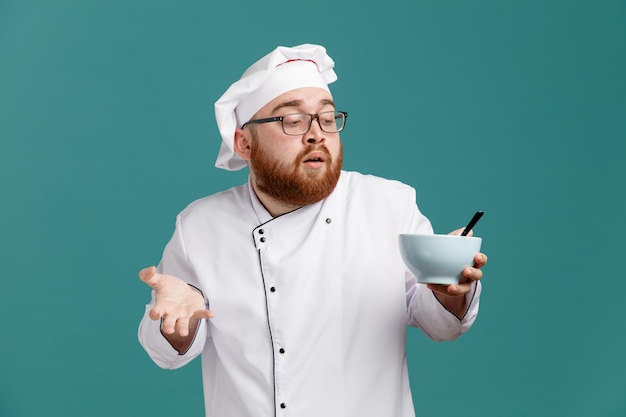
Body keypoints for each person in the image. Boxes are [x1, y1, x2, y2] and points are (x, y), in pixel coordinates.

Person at [138, 44, 488, 417]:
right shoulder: (200, 226)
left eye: (326, 117)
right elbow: (166, 353)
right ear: (244, 143)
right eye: (292, 121)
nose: (316, 134)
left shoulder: (389, 205)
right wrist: (177, 324)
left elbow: (441, 325)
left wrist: (450, 288)